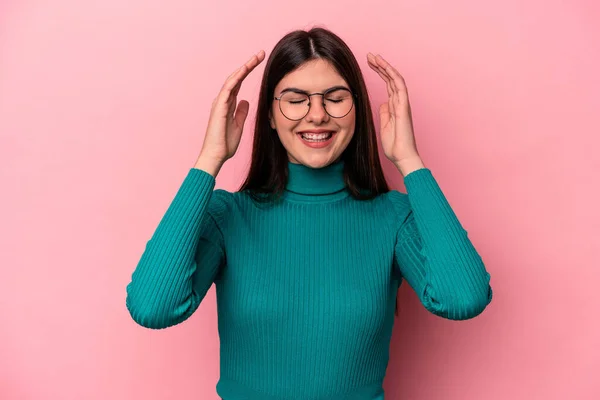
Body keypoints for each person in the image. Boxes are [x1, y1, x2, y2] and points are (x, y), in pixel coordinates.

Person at [125, 27, 493, 400]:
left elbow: (463, 297)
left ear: (357, 111)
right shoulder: (228, 217)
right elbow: (153, 307)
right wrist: (209, 160)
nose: (316, 115)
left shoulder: (392, 218)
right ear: (269, 114)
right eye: (295, 100)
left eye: (335, 98)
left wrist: (409, 161)